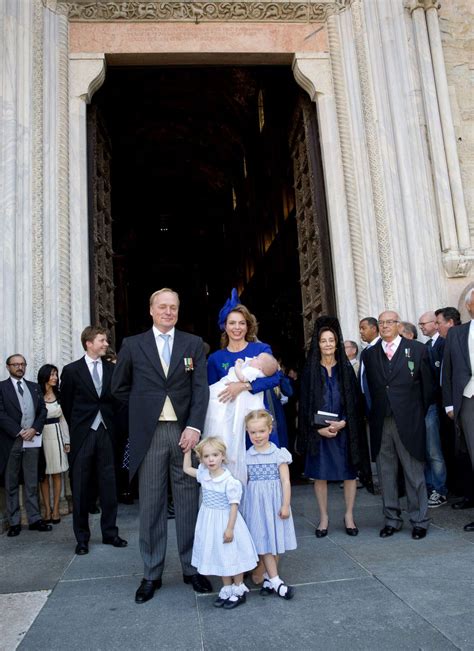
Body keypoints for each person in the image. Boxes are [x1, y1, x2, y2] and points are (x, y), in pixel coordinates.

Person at [112, 288, 211, 604]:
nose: (168, 312)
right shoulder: (133, 345)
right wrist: (142, 415)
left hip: (184, 434)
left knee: (187, 502)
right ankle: (151, 573)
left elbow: (200, 390)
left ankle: (192, 567)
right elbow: (119, 388)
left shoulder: (193, 344)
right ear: (151, 309)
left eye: (174, 307)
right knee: (151, 504)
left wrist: (194, 426)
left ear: (178, 311)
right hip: (151, 435)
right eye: (163, 307)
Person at [298, 317, 372, 538]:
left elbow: (355, 402)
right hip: (319, 433)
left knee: (349, 474)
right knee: (320, 475)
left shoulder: (346, 369)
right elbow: (304, 405)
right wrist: (316, 428)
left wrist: (345, 422)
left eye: (331, 340)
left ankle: (349, 515)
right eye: (323, 341)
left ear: (337, 343)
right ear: (317, 344)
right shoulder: (310, 371)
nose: (328, 344)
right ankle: (324, 517)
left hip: (343, 431)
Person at [363, 311, 434, 540]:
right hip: (381, 421)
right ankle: (391, 519)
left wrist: (415, 413)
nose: (384, 326)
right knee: (386, 472)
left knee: (414, 472)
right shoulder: (370, 354)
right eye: (381, 323)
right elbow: (368, 389)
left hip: (409, 420)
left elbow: (428, 387)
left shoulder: (417, 349)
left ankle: (419, 520)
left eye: (389, 322)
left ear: (398, 324)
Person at [61, 326, 127, 556]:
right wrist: (80, 427)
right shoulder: (70, 371)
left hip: (107, 433)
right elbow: (67, 404)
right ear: (89, 343)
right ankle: (82, 538)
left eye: (106, 340)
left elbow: (118, 401)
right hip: (83, 435)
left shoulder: (112, 368)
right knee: (80, 487)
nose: (106, 343)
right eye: (102, 340)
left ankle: (110, 533)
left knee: (109, 485)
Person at [183, 437, 257, 609]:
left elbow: (233, 506)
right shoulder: (203, 474)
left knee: (232, 554)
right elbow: (186, 469)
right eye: (206, 456)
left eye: (215, 455)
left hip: (226, 521)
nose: (211, 459)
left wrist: (230, 528)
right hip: (209, 522)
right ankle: (227, 587)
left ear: (222, 456)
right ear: (201, 459)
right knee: (220, 554)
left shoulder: (229, 481)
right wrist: (187, 451)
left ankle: (238, 588)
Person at [207, 293, 281, 448]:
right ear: (224, 326)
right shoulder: (215, 359)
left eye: (242, 323)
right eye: (232, 323)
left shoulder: (261, 349)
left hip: (256, 422)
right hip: (228, 425)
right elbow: (211, 393)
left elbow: (276, 378)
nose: (237, 328)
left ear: (248, 326)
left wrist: (243, 386)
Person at [243, 409, 296, 600]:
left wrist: (285, 505)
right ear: (247, 433)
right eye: (253, 432)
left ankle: (268, 578)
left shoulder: (279, 454)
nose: (257, 436)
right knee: (263, 540)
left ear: (270, 430)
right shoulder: (247, 456)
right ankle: (275, 580)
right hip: (257, 506)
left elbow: (285, 482)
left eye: (261, 431)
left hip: (275, 504)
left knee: (274, 540)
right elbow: (245, 483)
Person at [204, 352, 279, 484]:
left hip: (245, 416)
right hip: (225, 401)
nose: (253, 358)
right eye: (255, 357)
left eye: (257, 359)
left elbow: (275, 378)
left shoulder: (259, 355)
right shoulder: (216, 357)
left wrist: (242, 383)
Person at [0, 354, 50, 536]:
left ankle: (35, 518)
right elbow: (1, 413)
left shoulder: (34, 387)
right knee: (11, 481)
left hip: (32, 440)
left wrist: (35, 428)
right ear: (8, 367)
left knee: (31, 480)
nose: (19, 367)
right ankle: (14, 522)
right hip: (11, 440)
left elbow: (42, 411)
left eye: (22, 364)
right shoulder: (1, 388)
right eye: (15, 364)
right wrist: (19, 431)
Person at [442, 288, 474, 532]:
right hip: (468, 401)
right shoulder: (456, 334)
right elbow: (448, 372)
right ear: (469, 306)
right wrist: (450, 404)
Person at [417, 311, 448, 508]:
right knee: (426, 450)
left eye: (424, 323)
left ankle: (440, 489)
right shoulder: (426, 346)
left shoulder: (443, 344)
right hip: (423, 405)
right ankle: (430, 487)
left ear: (436, 324)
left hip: (436, 404)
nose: (421, 327)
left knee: (434, 450)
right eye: (419, 324)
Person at [37, 364, 70, 524]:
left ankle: (56, 509)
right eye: (52, 374)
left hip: (56, 436)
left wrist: (67, 441)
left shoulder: (60, 395)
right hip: (41, 437)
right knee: (43, 476)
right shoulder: (36, 395)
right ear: (44, 376)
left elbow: (63, 420)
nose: (55, 377)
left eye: (56, 374)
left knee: (57, 474)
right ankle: (47, 510)